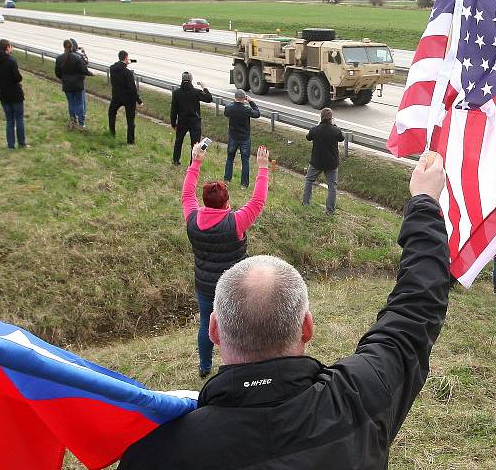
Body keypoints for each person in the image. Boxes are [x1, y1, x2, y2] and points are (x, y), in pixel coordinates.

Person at [118, 153, 450, 470]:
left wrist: (194, 164)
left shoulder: (158, 452)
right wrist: (423, 201)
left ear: (215, 331)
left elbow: (187, 199)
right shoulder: (360, 396)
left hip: (206, 288)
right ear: (307, 327)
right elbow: (415, 309)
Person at [182, 141, 270, 379]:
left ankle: (204, 366)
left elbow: (187, 194)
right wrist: (262, 168)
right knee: (238, 327)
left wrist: (196, 161)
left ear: (205, 201)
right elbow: (258, 201)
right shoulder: (235, 222)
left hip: (205, 286)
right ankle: (241, 366)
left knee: (206, 325)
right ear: (226, 202)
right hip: (234, 286)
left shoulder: (191, 217)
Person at [302, 107, 344, 214]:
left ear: (321, 118)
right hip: (331, 163)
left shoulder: (315, 129)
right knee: (332, 186)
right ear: (331, 119)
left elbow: (308, 137)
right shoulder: (335, 130)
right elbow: (341, 138)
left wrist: (318, 125)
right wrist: (335, 125)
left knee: (309, 181)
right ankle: (330, 210)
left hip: (317, 161)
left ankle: (306, 203)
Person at [0, 39, 27, 149]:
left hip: (3, 94)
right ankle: (22, 143)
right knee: (19, 119)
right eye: (11, 46)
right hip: (15, 93)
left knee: (9, 120)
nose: (12, 48)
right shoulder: (11, 61)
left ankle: (10, 145)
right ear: (7, 48)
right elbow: (18, 78)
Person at [170, 72, 212, 165]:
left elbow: (174, 109)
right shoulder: (196, 92)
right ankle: (192, 163)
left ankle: (175, 160)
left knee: (178, 141)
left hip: (182, 120)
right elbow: (209, 98)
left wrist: (173, 123)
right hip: (194, 121)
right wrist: (204, 87)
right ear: (191, 80)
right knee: (195, 144)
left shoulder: (176, 93)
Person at [223, 89, 261, 187]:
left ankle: (227, 179)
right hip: (244, 138)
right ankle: (244, 184)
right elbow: (257, 114)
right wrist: (251, 102)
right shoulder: (246, 109)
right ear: (244, 98)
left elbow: (226, 112)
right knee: (245, 161)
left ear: (235, 98)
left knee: (230, 159)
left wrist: (235, 101)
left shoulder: (229, 108)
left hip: (233, 137)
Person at [55, 39, 93, 131]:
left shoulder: (59, 58)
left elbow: (57, 72)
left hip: (67, 84)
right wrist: (90, 73)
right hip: (78, 84)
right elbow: (83, 70)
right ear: (72, 46)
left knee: (71, 103)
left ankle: (73, 120)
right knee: (80, 103)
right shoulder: (77, 57)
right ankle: (81, 123)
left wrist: (64, 78)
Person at [108, 50, 142, 143]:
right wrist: (139, 100)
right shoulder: (128, 73)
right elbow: (133, 89)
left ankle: (112, 134)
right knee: (130, 121)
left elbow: (119, 65)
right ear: (126, 58)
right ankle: (130, 141)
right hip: (129, 99)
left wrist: (125, 63)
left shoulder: (112, 69)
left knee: (111, 114)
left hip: (116, 97)